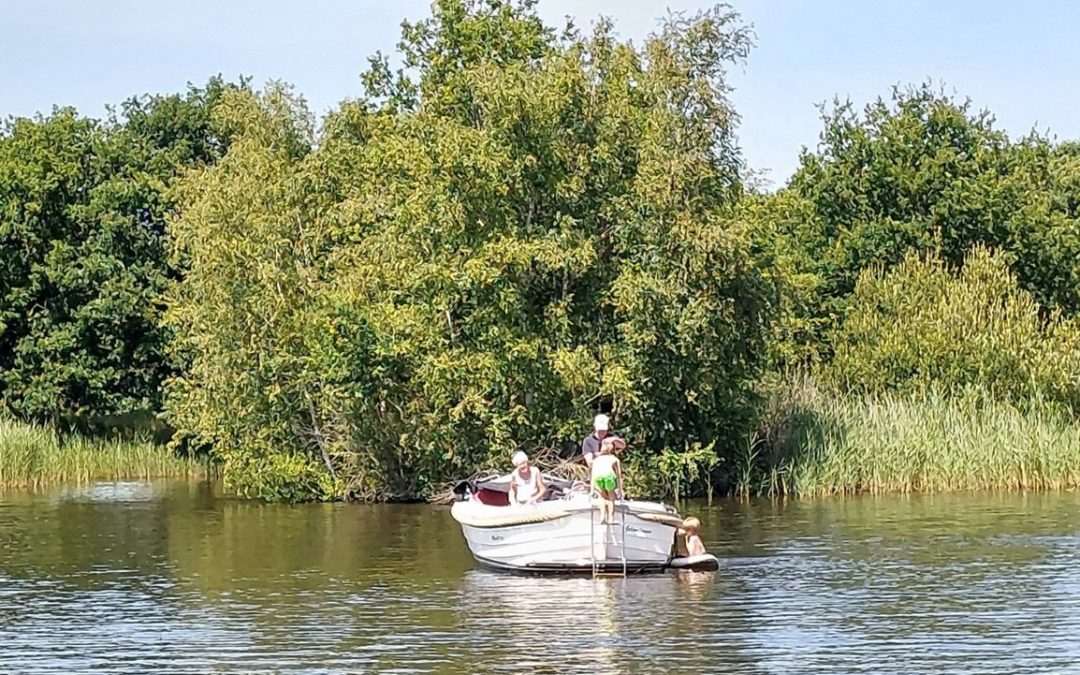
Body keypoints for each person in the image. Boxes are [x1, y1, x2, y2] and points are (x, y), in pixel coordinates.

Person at [590, 438, 622, 524]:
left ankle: (602, 517)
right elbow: (619, 476)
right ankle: (611, 518)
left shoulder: (596, 460)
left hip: (598, 477)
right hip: (608, 476)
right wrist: (620, 490)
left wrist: (591, 490)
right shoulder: (614, 459)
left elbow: (593, 475)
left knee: (602, 497)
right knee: (611, 498)